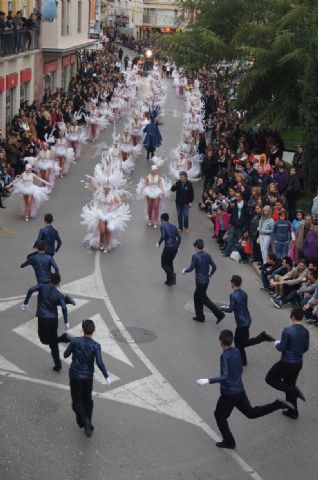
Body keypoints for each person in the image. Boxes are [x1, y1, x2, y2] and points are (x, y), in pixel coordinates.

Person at [196, 329, 295, 449]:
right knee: (251, 413)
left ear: (220, 342)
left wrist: (208, 380)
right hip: (240, 390)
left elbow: (225, 376)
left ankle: (229, 442)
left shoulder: (224, 356)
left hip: (229, 393)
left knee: (219, 416)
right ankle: (277, 404)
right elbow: (240, 369)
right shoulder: (237, 351)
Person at [64, 319, 112, 437]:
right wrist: (106, 376)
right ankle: (88, 422)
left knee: (76, 402)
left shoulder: (75, 341)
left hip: (75, 375)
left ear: (82, 329)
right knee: (87, 400)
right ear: (93, 330)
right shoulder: (96, 346)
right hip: (88, 377)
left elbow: (65, 354)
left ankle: (84, 421)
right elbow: (99, 362)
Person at [220, 275, 275, 366]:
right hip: (247, 319)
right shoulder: (244, 293)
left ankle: (261, 337)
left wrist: (222, 308)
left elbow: (231, 309)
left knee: (240, 343)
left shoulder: (233, 295)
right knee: (240, 342)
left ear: (233, 283)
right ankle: (243, 361)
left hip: (241, 322)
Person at [265, 307, 309, 419]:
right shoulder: (306, 331)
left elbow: (281, 348)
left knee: (270, 378)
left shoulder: (288, 330)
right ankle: (293, 412)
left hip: (286, 362)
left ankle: (293, 391)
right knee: (289, 384)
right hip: (299, 363)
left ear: (293, 316)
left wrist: (276, 344)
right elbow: (305, 348)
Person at [21, 273, 70, 372]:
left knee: (44, 340)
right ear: (59, 282)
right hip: (53, 320)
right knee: (53, 342)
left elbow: (31, 289)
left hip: (43, 318)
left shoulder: (43, 286)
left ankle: (62, 338)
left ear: (49, 279)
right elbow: (64, 308)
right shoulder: (59, 295)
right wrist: (66, 322)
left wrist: (26, 303)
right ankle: (58, 365)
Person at [182, 238, 225, 323]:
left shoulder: (195, 256)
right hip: (206, 281)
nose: (194, 248)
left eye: (194, 246)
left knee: (204, 299)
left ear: (197, 246)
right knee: (197, 297)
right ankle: (200, 316)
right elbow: (214, 267)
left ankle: (219, 314)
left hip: (199, 282)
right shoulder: (207, 255)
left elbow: (191, 268)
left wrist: (184, 271)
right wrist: (210, 274)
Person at [157, 213, 181, 286]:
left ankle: (172, 275)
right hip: (175, 247)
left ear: (162, 220)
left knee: (164, 264)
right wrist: (178, 246)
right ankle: (169, 281)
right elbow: (179, 237)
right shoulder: (173, 226)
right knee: (170, 262)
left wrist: (159, 243)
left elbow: (163, 236)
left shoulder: (163, 226)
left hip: (168, 247)